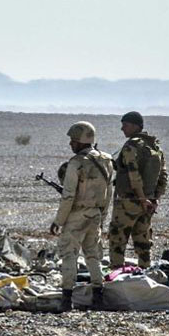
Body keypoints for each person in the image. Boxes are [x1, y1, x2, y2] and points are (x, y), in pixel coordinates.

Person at [49, 121, 114, 311]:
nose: (71, 144)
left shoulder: (76, 163)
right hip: (95, 214)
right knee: (93, 255)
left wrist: (58, 221)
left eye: (73, 140)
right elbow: (108, 193)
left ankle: (66, 299)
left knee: (68, 254)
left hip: (77, 215)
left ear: (80, 140)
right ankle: (98, 297)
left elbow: (68, 196)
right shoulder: (107, 160)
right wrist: (102, 217)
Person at [109, 111, 168, 269]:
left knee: (117, 239)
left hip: (130, 201)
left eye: (125, 125)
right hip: (148, 203)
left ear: (136, 126)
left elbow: (133, 175)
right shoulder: (154, 147)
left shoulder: (132, 145)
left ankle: (116, 278)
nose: (122, 129)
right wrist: (154, 199)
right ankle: (146, 276)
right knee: (143, 244)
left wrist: (142, 198)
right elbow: (163, 176)